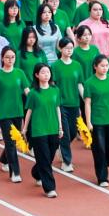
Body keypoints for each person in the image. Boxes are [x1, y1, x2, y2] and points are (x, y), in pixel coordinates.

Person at [0, 46, 30, 183]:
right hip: (4, 113)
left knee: (14, 141)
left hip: (17, 112)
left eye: (12, 57)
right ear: (2, 58)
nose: (10, 59)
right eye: (7, 57)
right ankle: (15, 172)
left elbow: (27, 91)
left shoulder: (20, 73)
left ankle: (4, 159)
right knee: (10, 142)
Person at [24, 63, 64, 197]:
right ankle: (50, 188)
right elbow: (29, 111)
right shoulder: (33, 93)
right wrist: (25, 128)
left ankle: (36, 172)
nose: (46, 75)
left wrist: (60, 127)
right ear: (36, 75)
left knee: (49, 156)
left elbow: (57, 108)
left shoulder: (55, 90)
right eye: (43, 72)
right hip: (38, 130)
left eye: (48, 72)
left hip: (53, 128)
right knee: (45, 158)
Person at [83, 54, 109, 187]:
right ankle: (102, 177)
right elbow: (87, 103)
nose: (105, 68)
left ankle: (104, 163)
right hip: (97, 120)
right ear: (95, 66)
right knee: (99, 149)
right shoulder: (89, 83)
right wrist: (88, 122)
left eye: (107, 65)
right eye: (102, 66)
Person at [51, 37, 85, 173]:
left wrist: (86, 99)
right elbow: (53, 85)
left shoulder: (77, 65)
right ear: (60, 49)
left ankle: (60, 147)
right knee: (65, 132)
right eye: (66, 48)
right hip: (61, 104)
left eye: (71, 48)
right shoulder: (55, 66)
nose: (69, 50)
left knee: (72, 132)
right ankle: (67, 161)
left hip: (74, 103)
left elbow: (79, 84)